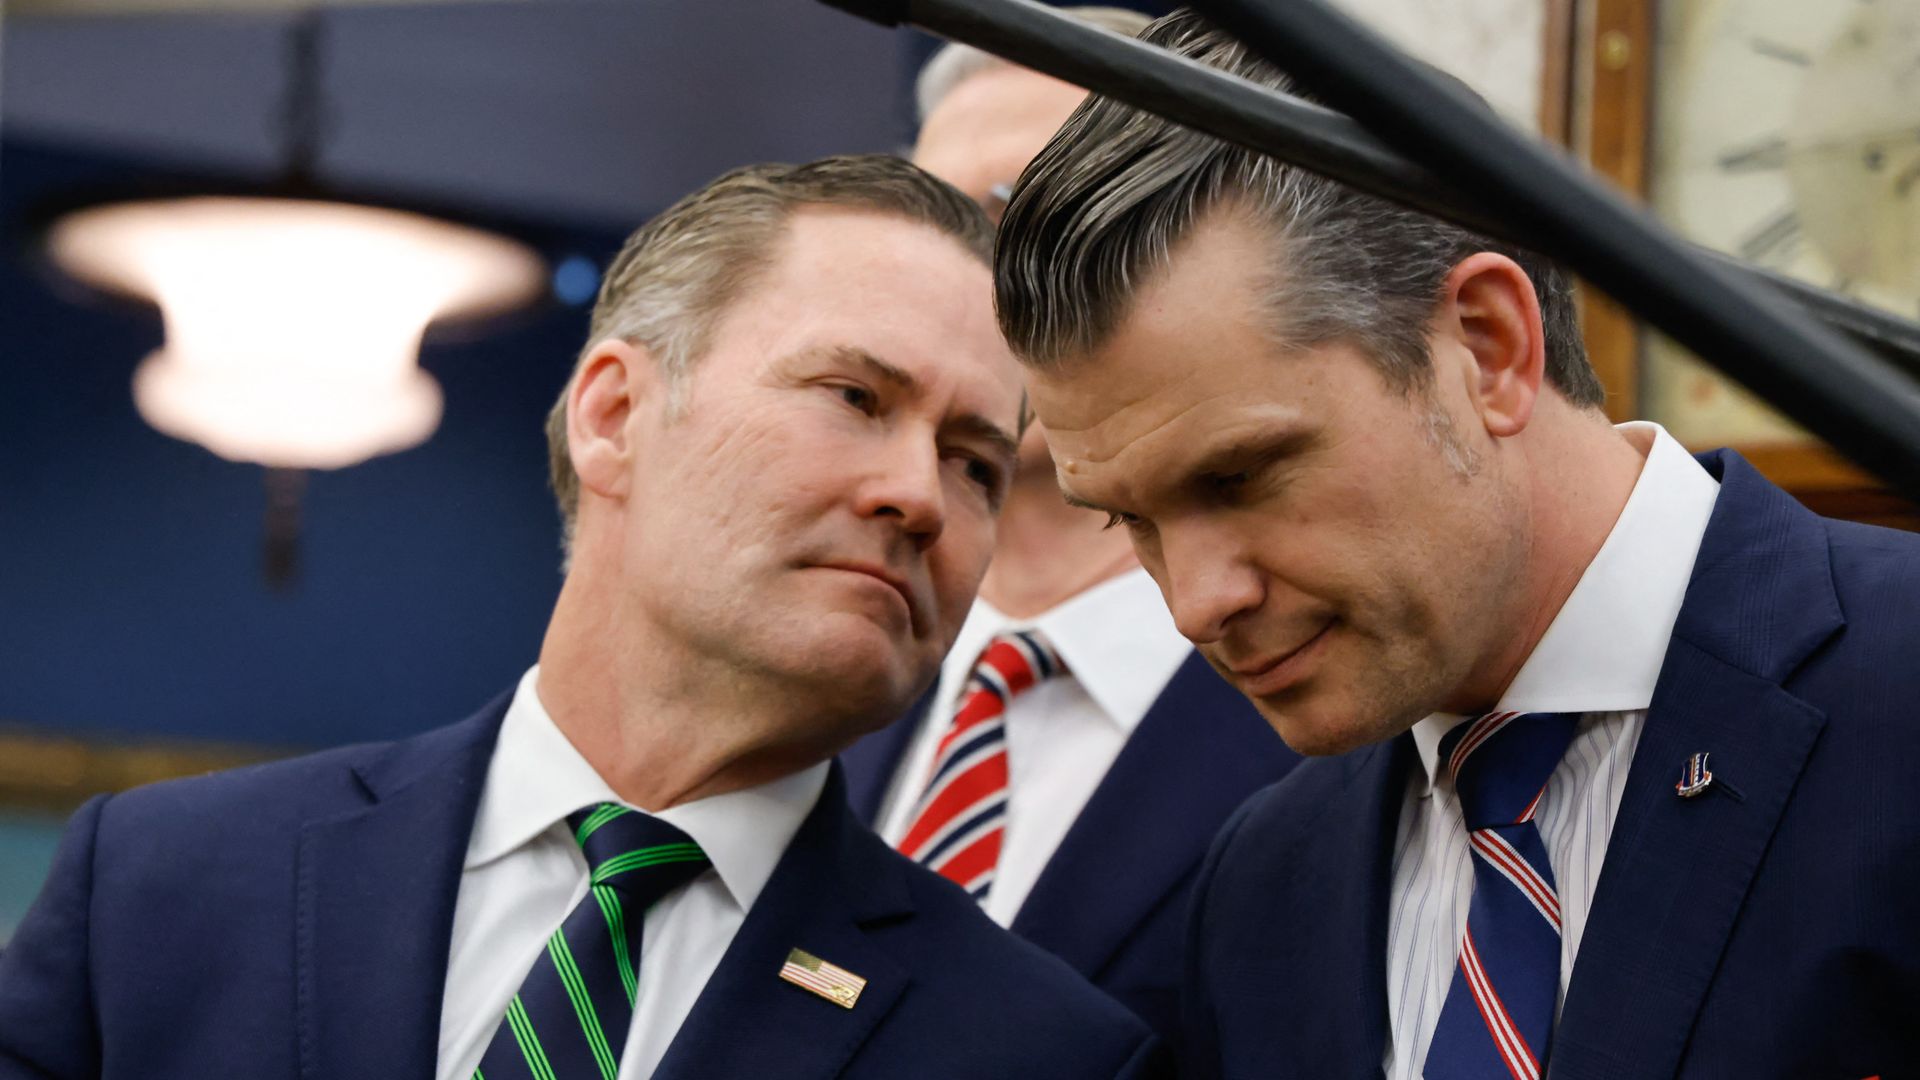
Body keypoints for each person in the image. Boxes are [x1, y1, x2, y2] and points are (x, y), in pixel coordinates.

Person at [0, 156, 1165, 1080]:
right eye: (856, 397)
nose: (918, 494)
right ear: (613, 415)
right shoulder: (162, 887)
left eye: (975, 464)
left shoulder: (1034, 1049)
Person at [993, 11, 1920, 1080]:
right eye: (1132, 521)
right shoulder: (1263, 886)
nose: (1196, 600)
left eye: (1241, 477)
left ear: (1488, 347)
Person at [839, 7, 1301, 1051]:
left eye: (1034, 214)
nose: (982, 283)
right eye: (934, 226)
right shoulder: (830, 677)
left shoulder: (1331, 713)